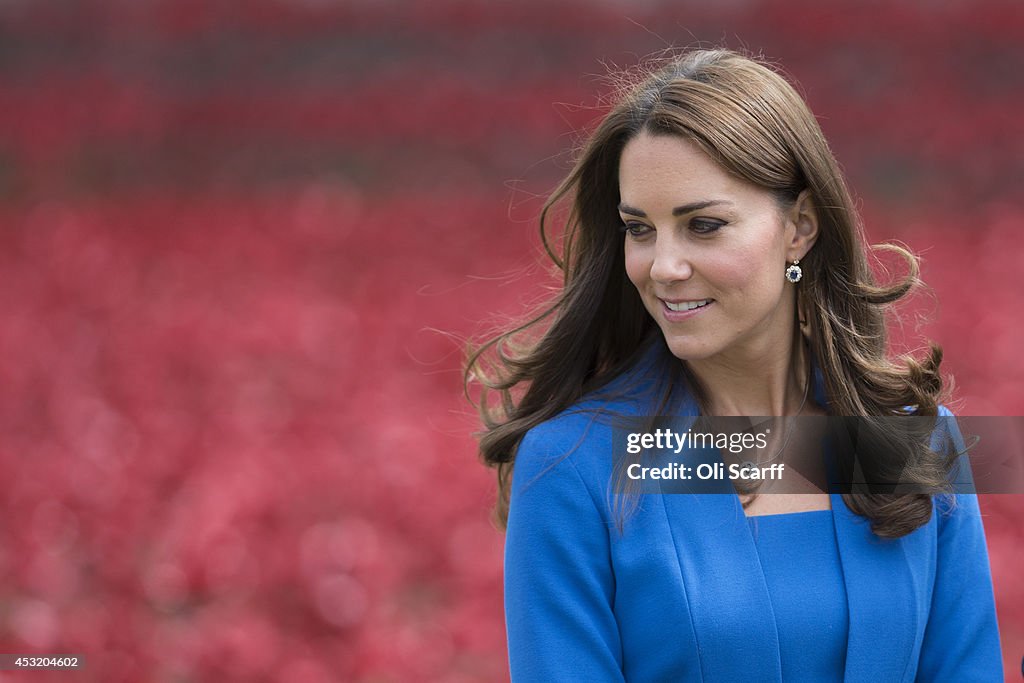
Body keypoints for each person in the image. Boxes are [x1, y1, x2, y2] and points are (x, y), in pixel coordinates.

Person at [465, 49, 1003, 681]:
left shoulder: (912, 441)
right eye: (640, 229)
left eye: (704, 225)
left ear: (799, 226)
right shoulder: (574, 465)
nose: (662, 266)